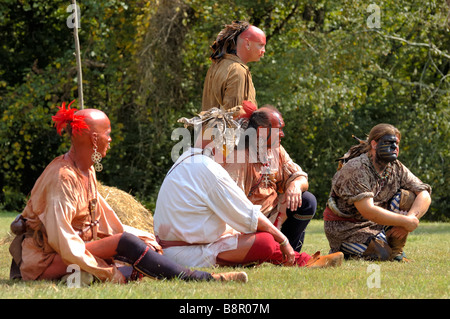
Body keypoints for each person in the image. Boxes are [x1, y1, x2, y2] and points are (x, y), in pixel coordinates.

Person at [8, 101, 248, 284]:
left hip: (73, 251)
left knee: (142, 255)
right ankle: (202, 278)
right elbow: (63, 241)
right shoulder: (61, 178)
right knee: (128, 246)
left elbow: (103, 220)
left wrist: (143, 240)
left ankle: (95, 274)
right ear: (93, 139)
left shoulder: (86, 171)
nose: (110, 140)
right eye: (107, 133)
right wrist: (108, 268)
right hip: (47, 261)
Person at [154, 107, 343, 269]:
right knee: (265, 242)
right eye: (229, 141)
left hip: (186, 246)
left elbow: (297, 176)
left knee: (305, 202)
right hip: (189, 252)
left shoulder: (184, 160)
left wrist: (292, 188)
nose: (230, 148)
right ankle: (301, 260)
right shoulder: (208, 168)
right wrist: (281, 239)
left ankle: (291, 255)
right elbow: (245, 214)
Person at [323, 123, 432, 261]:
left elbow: (424, 194)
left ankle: (396, 251)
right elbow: (368, 210)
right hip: (346, 228)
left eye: (397, 144)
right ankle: (342, 250)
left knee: (409, 197)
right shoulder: (357, 168)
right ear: (374, 144)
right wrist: (405, 221)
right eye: (389, 143)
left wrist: (410, 220)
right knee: (381, 255)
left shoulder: (395, 167)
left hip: (375, 225)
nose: (395, 147)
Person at [222, 105, 317, 253]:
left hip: (275, 217)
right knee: (263, 242)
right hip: (250, 224)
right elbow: (234, 207)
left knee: (307, 201)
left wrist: (295, 186)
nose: (282, 134)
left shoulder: (276, 150)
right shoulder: (239, 159)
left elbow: (300, 176)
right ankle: (275, 251)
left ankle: (290, 250)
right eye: (278, 129)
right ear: (261, 131)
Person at [202, 20, 266, 113]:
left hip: (208, 127)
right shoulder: (238, 70)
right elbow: (235, 119)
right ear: (247, 43)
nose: (263, 50)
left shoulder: (217, 64)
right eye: (261, 45)